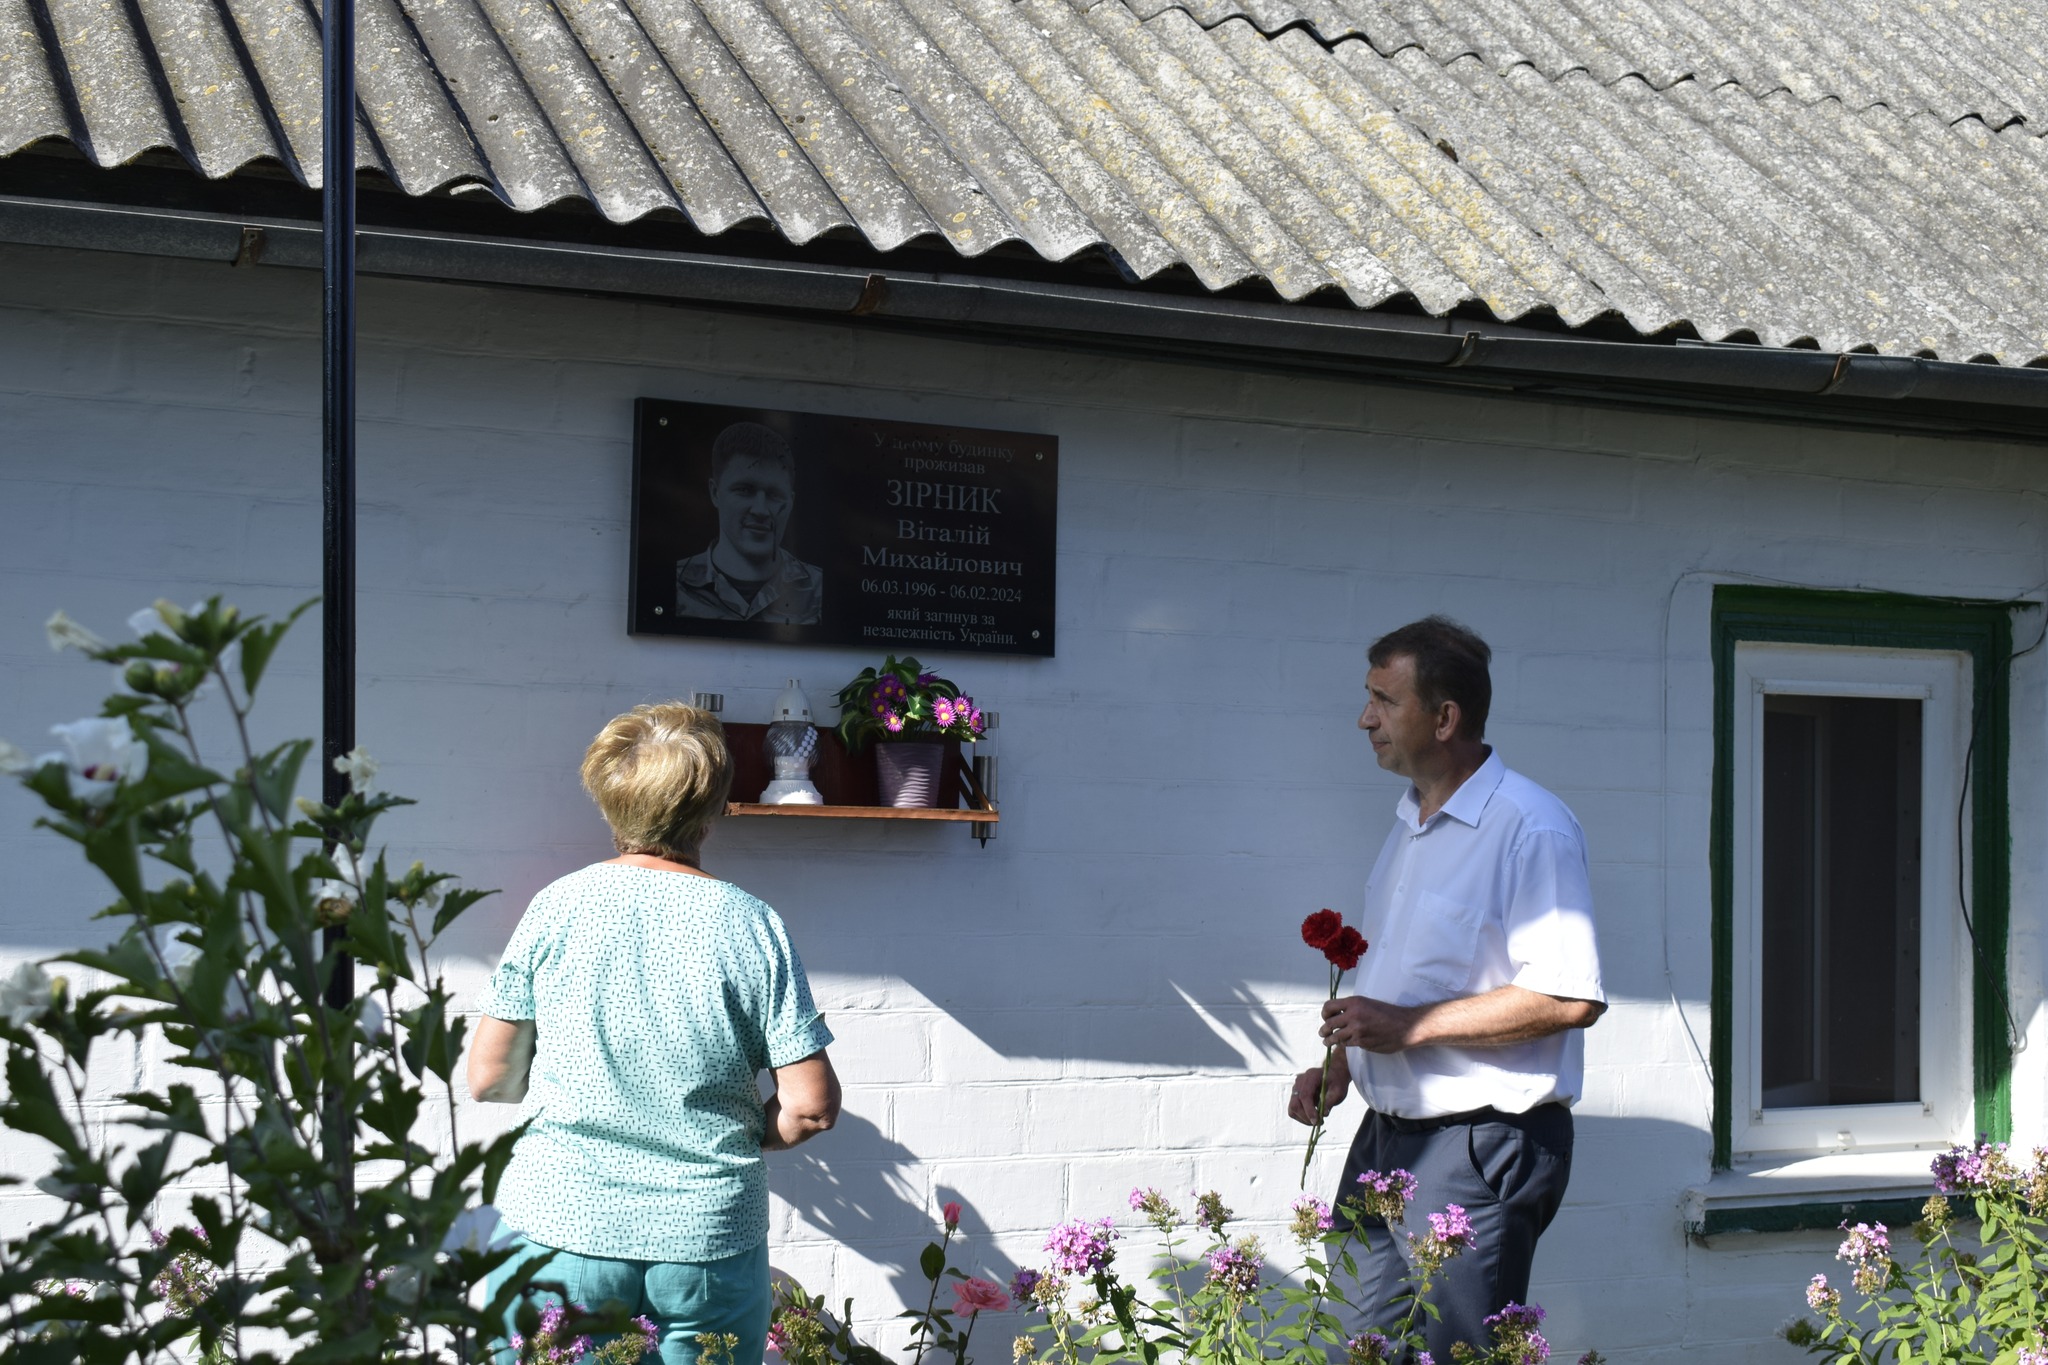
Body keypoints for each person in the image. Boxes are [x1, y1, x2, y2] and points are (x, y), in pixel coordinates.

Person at [469, 701, 840, 1364]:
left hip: (564, 1227)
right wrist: (739, 1133)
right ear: (714, 805)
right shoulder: (752, 924)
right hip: (707, 1237)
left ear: (609, 798)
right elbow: (809, 1106)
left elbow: (490, 1077)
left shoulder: (555, 907)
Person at [1286, 616, 1604, 1357]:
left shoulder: (1531, 826)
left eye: (1384, 700)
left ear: (1445, 716)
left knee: (1461, 1352)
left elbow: (1568, 996)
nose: (1366, 717)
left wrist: (1410, 1026)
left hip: (1476, 1147)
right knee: (1350, 1345)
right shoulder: (1411, 822)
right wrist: (1346, 1066)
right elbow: (1415, 981)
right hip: (1386, 1135)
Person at [675, 422, 825, 624]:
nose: (761, 510)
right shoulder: (672, 584)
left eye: (774, 495)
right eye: (745, 490)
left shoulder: (821, 587)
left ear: (791, 502)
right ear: (715, 492)